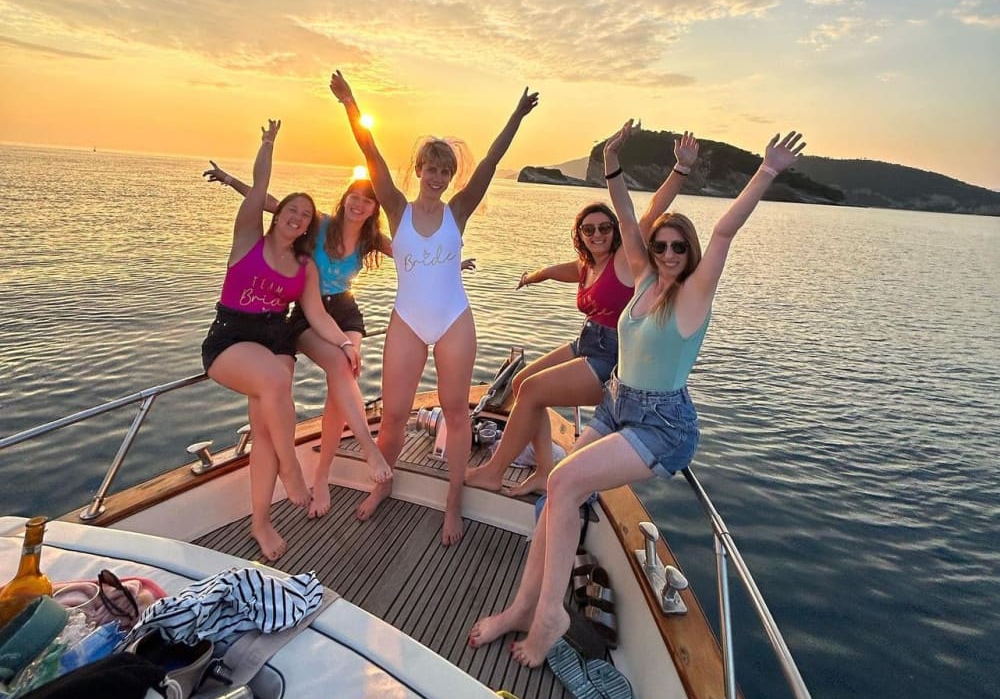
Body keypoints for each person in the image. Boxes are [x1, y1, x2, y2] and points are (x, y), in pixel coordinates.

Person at [469, 122, 805, 665]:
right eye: (661, 245)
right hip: (616, 402)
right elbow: (627, 218)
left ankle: (550, 614)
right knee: (556, 500)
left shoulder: (694, 295)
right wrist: (610, 162)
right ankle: (522, 608)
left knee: (562, 481)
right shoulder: (644, 280)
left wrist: (765, 171)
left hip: (659, 424)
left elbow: (722, 233)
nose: (668, 252)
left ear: (688, 251)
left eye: (678, 246)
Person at [330, 69, 539, 545]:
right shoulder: (397, 209)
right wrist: (349, 100)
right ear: (419, 169)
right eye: (431, 169)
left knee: (457, 412)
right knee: (397, 412)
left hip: (452, 321)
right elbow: (371, 152)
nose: (438, 177)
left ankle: (453, 504)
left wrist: (516, 116)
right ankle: (383, 486)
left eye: (446, 171)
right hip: (406, 320)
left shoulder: (458, 210)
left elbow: (491, 159)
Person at [464, 131, 699, 496]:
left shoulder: (625, 261)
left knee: (534, 392)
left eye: (604, 228)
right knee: (523, 383)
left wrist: (680, 168)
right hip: (585, 342)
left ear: (614, 233)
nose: (598, 234)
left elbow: (647, 210)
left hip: (608, 356)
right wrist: (533, 276)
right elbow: (562, 270)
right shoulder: (588, 266)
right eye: (589, 229)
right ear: (581, 235)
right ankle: (544, 470)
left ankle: (495, 471)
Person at [200, 120, 364, 562]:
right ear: (278, 213)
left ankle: (260, 521)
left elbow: (315, 315)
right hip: (231, 338)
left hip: (276, 339)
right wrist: (268, 143)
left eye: (306, 215)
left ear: (309, 226)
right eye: (292, 209)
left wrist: (346, 345)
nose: (297, 217)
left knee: (265, 429)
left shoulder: (304, 265)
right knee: (274, 385)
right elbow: (259, 184)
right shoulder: (248, 238)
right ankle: (292, 470)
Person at [203, 164, 393, 514]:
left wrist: (448, 265)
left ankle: (321, 479)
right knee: (339, 366)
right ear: (345, 198)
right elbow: (273, 203)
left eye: (368, 201)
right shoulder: (320, 224)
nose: (359, 204)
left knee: (344, 381)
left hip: (346, 311)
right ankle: (368, 448)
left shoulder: (370, 239)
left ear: (373, 210)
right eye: (355, 196)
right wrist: (231, 181)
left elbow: (412, 258)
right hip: (311, 310)